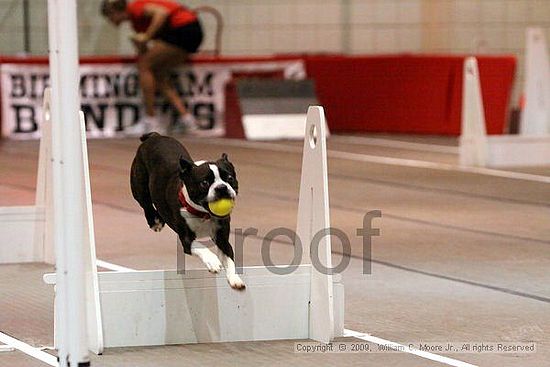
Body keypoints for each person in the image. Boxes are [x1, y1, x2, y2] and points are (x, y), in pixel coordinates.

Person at [101, 0, 203, 134]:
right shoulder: (136, 23)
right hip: (188, 32)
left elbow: (162, 13)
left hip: (184, 29)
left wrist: (146, 37)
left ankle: (150, 120)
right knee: (158, 75)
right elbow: (145, 53)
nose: (110, 21)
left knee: (143, 66)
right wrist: (140, 43)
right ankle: (188, 120)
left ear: (115, 11)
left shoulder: (135, 8)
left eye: (109, 17)